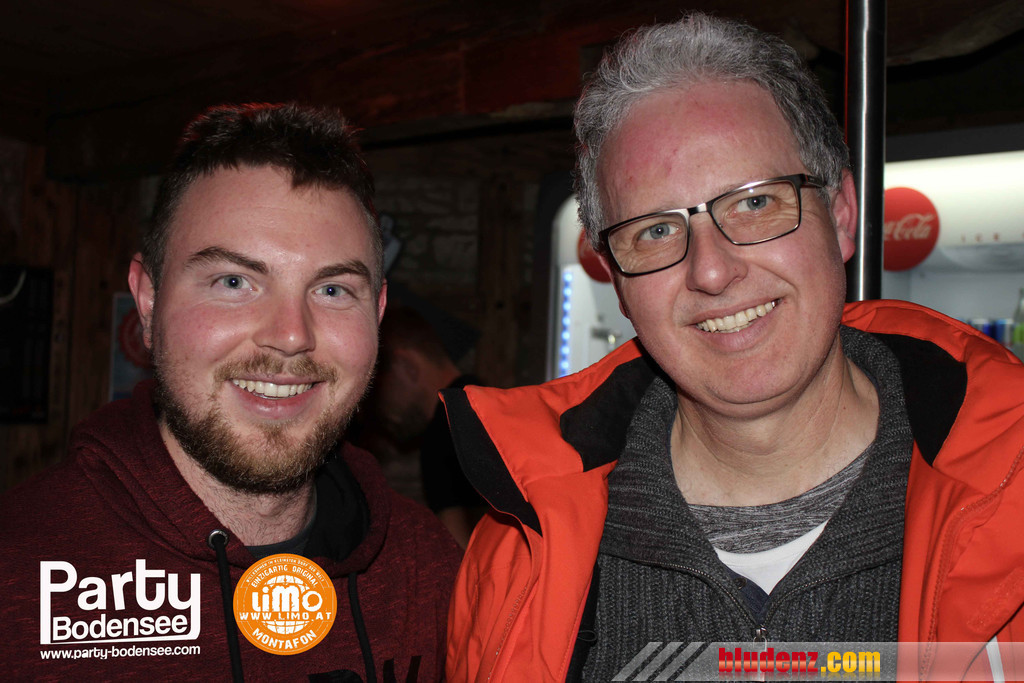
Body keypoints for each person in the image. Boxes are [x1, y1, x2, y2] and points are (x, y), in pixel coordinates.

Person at [443, 13, 1024, 681]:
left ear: (841, 214)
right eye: (655, 230)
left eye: (754, 204)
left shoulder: (1011, 500)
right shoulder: (515, 561)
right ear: (618, 282)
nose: (712, 271)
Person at [0, 102, 461, 681]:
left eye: (333, 290)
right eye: (235, 281)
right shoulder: (18, 575)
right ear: (148, 302)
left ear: (379, 311)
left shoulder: (433, 573)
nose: (291, 336)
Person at [370, 305, 486, 547]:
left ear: (406, 366)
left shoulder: (440, 434)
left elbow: (458, 553)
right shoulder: (491, 399)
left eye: (377, 382)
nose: (374, 403)